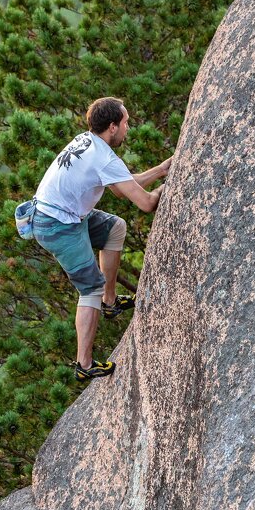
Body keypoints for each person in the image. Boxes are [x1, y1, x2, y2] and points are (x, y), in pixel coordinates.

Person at [32, 97, 172, 380]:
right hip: (56, 226)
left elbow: (122, 189)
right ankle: (84, 365)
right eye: (126, 123)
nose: (128, 129)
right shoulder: (103, 156)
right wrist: (166, 187)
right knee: (89, 289)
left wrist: (160, 170)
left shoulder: (88, 142)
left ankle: (109, 302)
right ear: (112, 126)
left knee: (115, 228)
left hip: (59, 214)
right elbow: (145, 203)